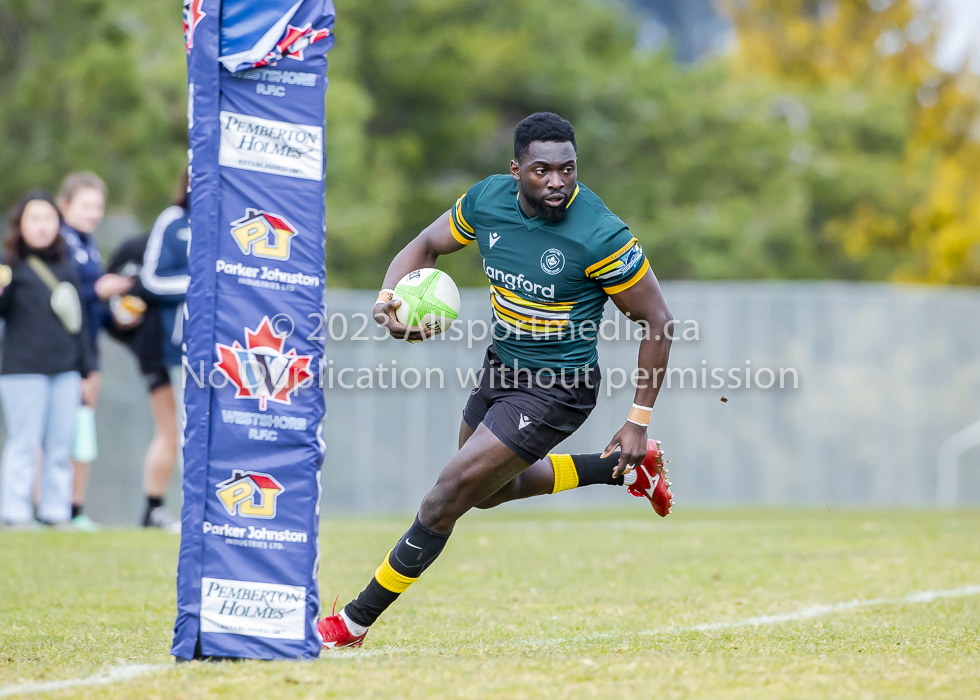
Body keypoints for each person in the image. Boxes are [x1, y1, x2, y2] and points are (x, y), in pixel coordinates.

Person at [318, 113, 675, 648]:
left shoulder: (599, 233)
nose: (556, 181)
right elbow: (425, 243)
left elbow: (659, 321)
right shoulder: (487, 201)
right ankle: (623, 472)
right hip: (502, 366)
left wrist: (637, 421)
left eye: (567, 170)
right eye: (541, 171)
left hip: (560, 387)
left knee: (446, 497)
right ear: (516, 171)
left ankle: (352, 622)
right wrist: (387, 298)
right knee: (486, 493)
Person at [0, 192, 92, 528]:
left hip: (64, 370)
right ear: (20, 225)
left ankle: (56, 512)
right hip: (22, 371)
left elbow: (78, 325)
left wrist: (85, 369)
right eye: (34, 219)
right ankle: (15, 513)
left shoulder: (66, 268)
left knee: (59, 447)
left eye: (48, 219)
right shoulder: (9, 267)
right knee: (24, 444)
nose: (42, 227)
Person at [57, 172, 132, 531]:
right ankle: (49, 508)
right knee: (54, 434)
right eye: (86, 205)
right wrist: (98, 290)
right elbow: (62, 295)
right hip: (59, 353)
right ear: (66, 204)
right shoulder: (56, 243)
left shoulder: (88, 245)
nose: (93, 213)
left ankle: (74, 508)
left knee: (81, 431)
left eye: (98, 207)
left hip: (89, 352)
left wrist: (118, 315)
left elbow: (94, 309)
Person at [134, 171, 190, 532]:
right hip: (186, 347)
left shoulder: (238, 219)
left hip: (238, 348)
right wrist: (202, 283)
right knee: (186, 430)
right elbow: (150, 279)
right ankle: (191, 512)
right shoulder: (172, 220)